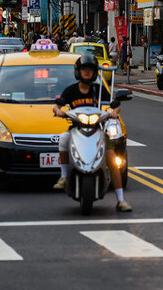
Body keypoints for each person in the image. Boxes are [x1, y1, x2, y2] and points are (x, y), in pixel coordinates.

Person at [50, 55, 129, 212]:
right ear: (78, 72)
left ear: (94, 73)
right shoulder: (71, 90)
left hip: (98, 130)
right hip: (76, 129)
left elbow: (115, 104)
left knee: (113, 161)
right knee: (63, 139)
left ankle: (120, 200)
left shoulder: (98, 91)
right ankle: (64, 175)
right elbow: (56, 106)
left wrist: (114, 112)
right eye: (84, 70)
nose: (87, 73)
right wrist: (59, 111)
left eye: (90, 70)